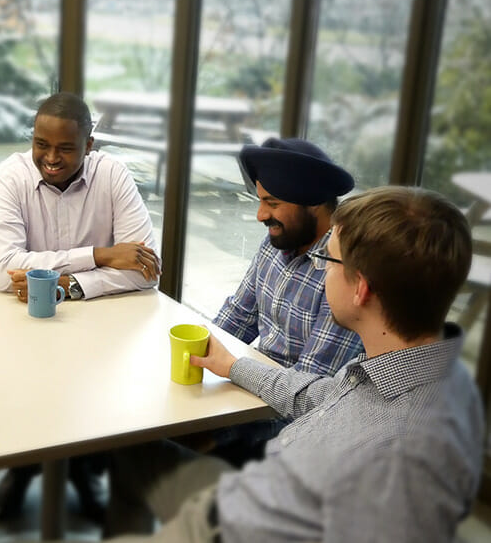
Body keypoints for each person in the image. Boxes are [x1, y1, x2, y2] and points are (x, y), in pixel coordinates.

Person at [102, 186, 484, 542]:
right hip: (252, 495)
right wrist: (232, 365)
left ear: (361, 288)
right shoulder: (416, 370)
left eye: (327, 258)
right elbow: (316, 396)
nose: (319, 268)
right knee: (133, 449)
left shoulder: (398, 454)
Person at [0, 92, 161, 522]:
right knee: (26, 391)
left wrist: (69, 285)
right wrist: (99, 255)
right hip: (27, 318)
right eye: (41, 144)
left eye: (65, 147)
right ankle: (23, 468)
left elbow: (145, 269)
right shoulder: (10, 175)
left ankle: (82, 470)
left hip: (100, 316)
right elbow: (3, 269)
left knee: (94, 395)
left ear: (90, 146)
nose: (51, 158)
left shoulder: (113, 174)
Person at [199, 138, 364, 462]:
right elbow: (238, 317)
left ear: (313, 202)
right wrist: (194, 354)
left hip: (292, 428)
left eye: (272, 203)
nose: (261, 214)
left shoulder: (343, 270)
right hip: (250, 390)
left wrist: (216, 428)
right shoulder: (279, 240)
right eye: (260, 201)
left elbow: (306, 394)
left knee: (145, 450)